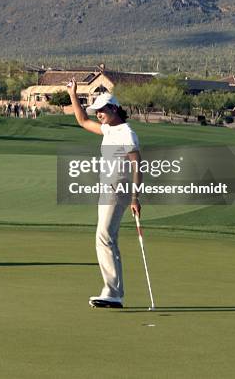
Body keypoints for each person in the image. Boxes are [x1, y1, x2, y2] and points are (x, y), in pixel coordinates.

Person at [67, 78, 142, 309]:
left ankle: (112, 292)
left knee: (104, 237)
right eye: (96, 111)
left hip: (118, 191)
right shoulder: (108, 130)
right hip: (105, 191)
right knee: (107, 238)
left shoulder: (126, 133)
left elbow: (137, 165)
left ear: (113, 108)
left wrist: (135, 197)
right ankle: (114, 291)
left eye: (101, 110)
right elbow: (82, 120)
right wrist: (73, 94)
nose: (98, 114)